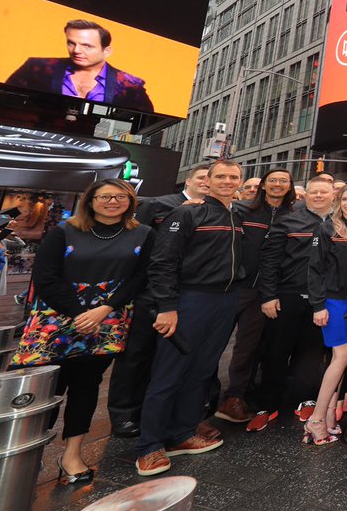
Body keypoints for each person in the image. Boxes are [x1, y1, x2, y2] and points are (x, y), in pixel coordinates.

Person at [14, 179, 153, 484]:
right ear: (91, 200)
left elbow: (139, 278)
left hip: (107, 319)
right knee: (45, 388)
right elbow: (46, 277)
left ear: (130, 201)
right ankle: (27, 456)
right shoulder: (64, 231)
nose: (112, 202)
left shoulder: (142, 234)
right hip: (57, 319)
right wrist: (79, 313)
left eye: (120, 197)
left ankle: (72, 454)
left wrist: (104, 310)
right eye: (105, 197)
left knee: (87, 386)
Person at [135, 159, 245, 476]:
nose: (227, 181)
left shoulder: (238, 215)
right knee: (168, 371)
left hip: (225, 301)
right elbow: (162, 262)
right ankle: (150, 445)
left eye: (233, 177)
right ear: (206, 180)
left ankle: (182, 433)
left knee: (202, 370)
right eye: (220, 176)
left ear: (240, 181)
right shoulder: (187, 212)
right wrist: (167, 306)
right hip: (189, 300)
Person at [107, 163, 211, 439]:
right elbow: (135, 243)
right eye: (201, 177)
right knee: (136, 355)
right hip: (150, 292)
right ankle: (123, 414)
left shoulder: (215, 210)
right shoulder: (160, 204)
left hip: (189, 293)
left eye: (209, 178)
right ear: (187, 180)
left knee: (171, 356)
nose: (206, 182)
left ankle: (159, 411)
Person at [249, 177, 335, 433]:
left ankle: (304, 398)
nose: (318, 196)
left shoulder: (340, 223)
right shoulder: (287, 220)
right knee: (275, 351)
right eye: (314, 192)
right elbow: (270, 260)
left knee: (311, 352)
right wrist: (268, 295)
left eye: (324, 192)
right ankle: (268, 405)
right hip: (287, 294)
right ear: (305, 195)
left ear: (333, 195)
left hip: (322, 299)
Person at [215, 168, 295, 425]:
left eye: (284, 181)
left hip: (265, 292)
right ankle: (203, 400)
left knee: (247, 349)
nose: (278, 185)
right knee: (212, 346)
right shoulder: (241, 209)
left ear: (290, 186)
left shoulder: (293, 214)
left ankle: (234, 398)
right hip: (233, 287)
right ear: (263, 185)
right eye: (273, 180)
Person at [304, 185, 347, 445]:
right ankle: (317, 419)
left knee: (340, 358)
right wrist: (318, 305)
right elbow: (315, 269)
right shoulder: (327, 228)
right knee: (343, 355)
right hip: (331, 301)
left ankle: (330, 415)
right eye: (344, 199)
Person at [6, 19, 154, 112]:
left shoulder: (130, 85)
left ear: (106, 51)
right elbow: (6, 101)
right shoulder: (37, 67)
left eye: (87, 46)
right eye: (71, 43)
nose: (76, 51)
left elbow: (144, 124)